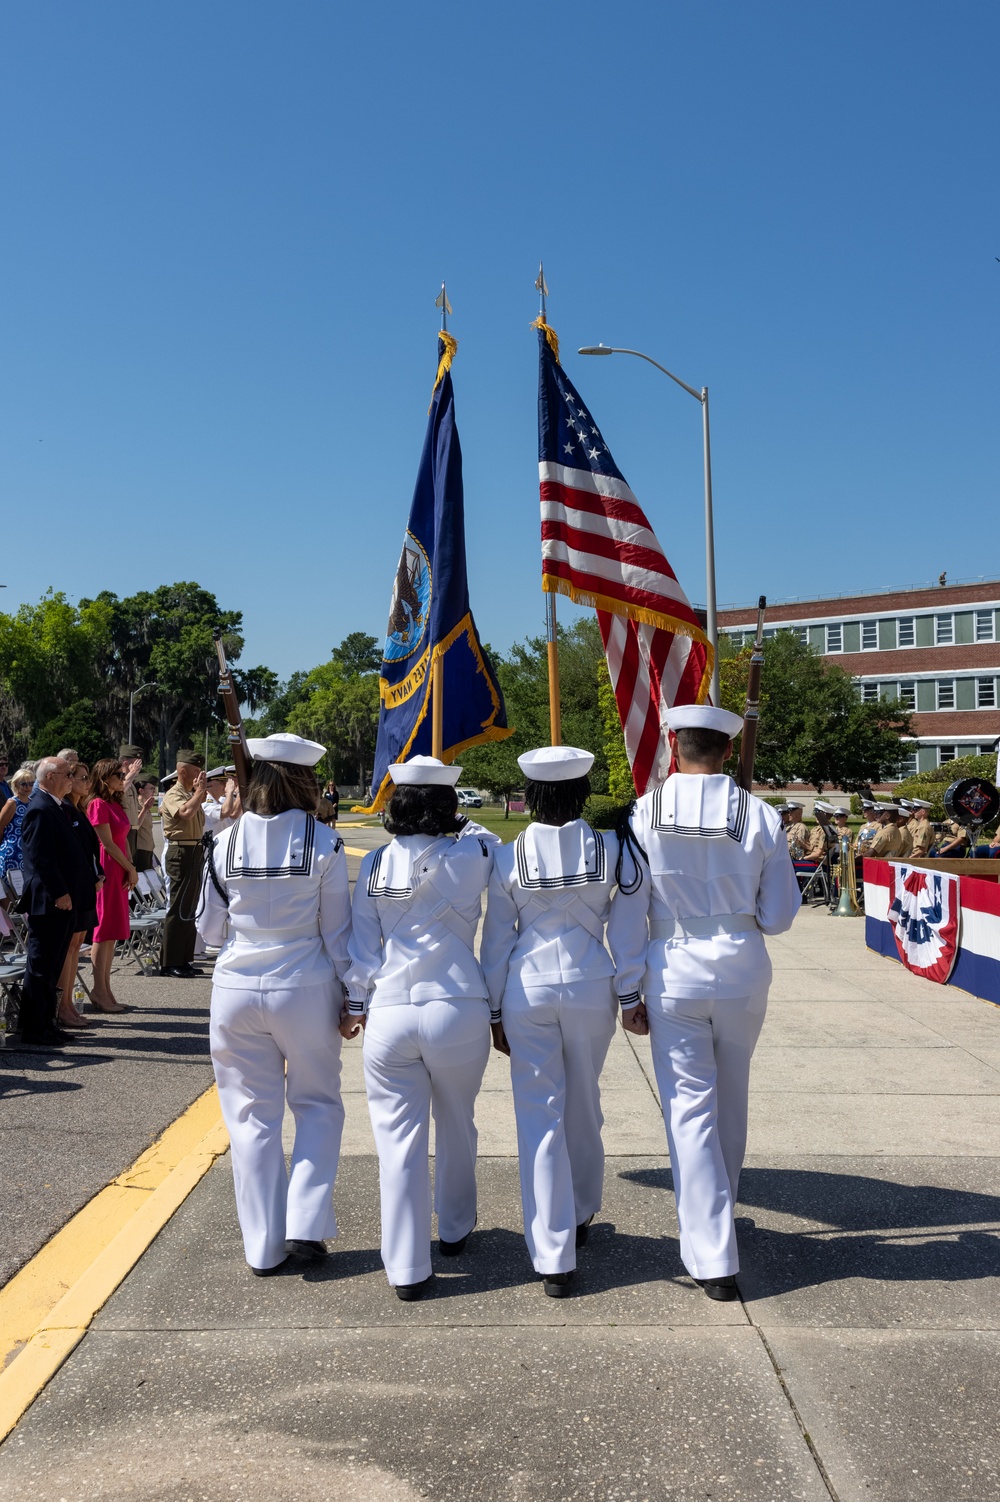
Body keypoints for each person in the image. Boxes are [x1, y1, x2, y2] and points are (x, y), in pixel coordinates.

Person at [608, 706, 801, 1301]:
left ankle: (712, 1246)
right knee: (731, 1096)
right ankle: (720, 1208)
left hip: (673, 966)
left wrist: (629, 987)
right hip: (741, 963)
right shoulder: (760, 813)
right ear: (725, 749)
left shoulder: (644, 812)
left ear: (673, 743)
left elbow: (628, 912)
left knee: (689, 1107)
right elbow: (781, 914)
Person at [343, 755, 497, 1302]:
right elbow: (486, 842)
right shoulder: (476, 852)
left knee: (397, 1144)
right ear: (449, 805)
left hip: (390, 1007)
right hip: (458, 1003)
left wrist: (354, 1003)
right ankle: (454, 1227)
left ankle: (406, 1266)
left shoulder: (376, 865)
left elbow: (361, 948)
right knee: (458, 1120)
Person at [198, 733, 351, 1277]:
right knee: (317, 1104)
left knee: (249, 1118)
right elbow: (339, 937)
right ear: (306, 782)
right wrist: (353, 998)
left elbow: (209, 930)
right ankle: (305, 1224)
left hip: (236, 986)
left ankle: (263, 1247)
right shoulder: (326, 844)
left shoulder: (222, 843)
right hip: (304, 983)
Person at [481, 745, 624, 1298]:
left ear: (532, 795)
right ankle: (582, 1210)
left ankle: (552, 1252)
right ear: (583, 792)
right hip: (592, 984)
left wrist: (494, 1009)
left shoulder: (506, 856)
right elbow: (627, 924)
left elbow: (496, 943)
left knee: (539, 1116)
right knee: (583, 1101)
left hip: (526, 987)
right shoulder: (611, 848)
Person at [18, 757, 95, 1047]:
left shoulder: (57, 806)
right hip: (50, 901)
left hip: (64, 901)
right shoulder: (40, 807)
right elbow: (42, 858)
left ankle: (47, 1024)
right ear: (50, 777)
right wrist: (60, 892)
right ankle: (33, 1029)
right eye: (66, 774)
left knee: (52, 967)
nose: (71, 779)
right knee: (41, 967)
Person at [86, 758, 138, 1012]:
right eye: (118, 775)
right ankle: (98, 990)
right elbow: (106, 844)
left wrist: (130, 866)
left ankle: (106, 989)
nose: (122, 778)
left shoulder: (115, 803)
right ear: (105, 778)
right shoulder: (97, 804)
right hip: (107, 869)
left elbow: (124, 838)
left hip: (120, 869)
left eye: (123, 774)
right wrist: (129, 867)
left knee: (112, 933)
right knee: (103, 931)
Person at [55, 762, 103, 1030]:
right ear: (69, 780)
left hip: (86, 884)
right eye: (83, 778)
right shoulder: (65, 810)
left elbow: (91, 850)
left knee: (75, 946)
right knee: (70, 947)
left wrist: (100, 873)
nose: (87, 783)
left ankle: (69, 1005)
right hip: (74, 886)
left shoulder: (79, 809)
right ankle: (63, 1007)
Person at [159, 750, 208, 977]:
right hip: (181, 851)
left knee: (189, 907)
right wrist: (199, 792)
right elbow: (186, 813)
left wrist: (197, 792)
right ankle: (170, 962)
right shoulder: (174, 794)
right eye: (196, 771)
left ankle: (183, 958)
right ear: (182, 771)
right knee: (178, 906)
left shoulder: (189, 793)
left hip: (194, 849)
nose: (200, 776)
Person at [0, 766, 35, 894]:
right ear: (16, 784)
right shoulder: (12, 803)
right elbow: (0, 826)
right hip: (12, 852)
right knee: (13, 891)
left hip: (27, 851)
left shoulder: (32, 802)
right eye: (24, 784)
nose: (28, 787)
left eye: (31, 783)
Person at [119, 744, 147, 866]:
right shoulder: (119, 780)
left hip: (133, 832)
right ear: (125, 762)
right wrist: (132, 773)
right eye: (136, 763)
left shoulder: (131, 784)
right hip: (123, 832)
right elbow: (119, 791)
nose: (139, 766)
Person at [131, 777, 158, 872]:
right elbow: (135, 825)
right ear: (141, 790)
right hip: (140, 849)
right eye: (151, 788)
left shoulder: (146, 806)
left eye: (154, 788)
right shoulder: (135, 806)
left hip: (148, 847)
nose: (153, 791)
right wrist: (145, 809)